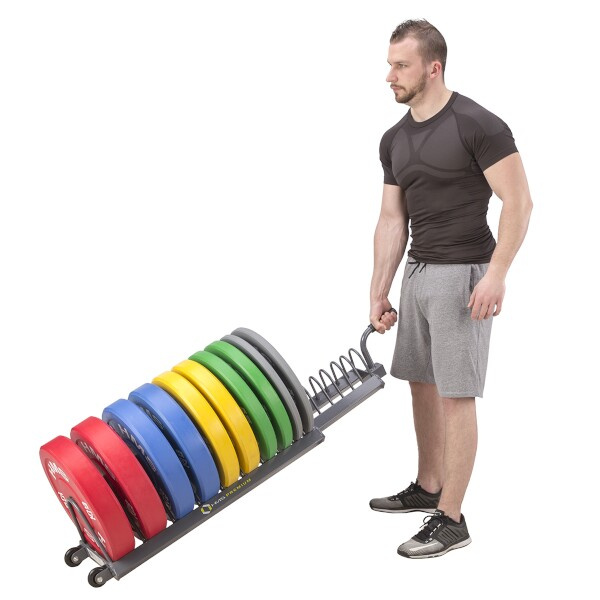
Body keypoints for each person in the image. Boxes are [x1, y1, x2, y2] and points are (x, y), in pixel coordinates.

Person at [368, 19, 533, 559]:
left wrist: (496, 273)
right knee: (419, 382)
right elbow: (391, 219)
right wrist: (379, 290)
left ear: (433, 67)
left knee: (456, 394)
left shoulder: (478, 125)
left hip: (464, 274)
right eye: (390, 64)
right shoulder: (394, 139)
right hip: (418, 272)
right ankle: (428, 484)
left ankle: (452, 518)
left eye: (401, 66)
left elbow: (519, 201)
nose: (389, 76)